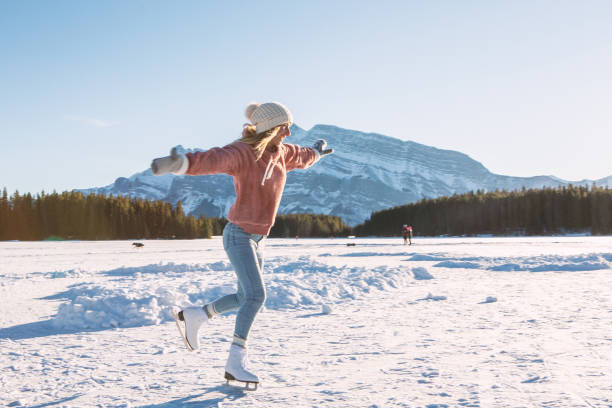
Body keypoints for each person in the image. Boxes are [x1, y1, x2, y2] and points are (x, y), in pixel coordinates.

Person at [150, 102, 333, 388]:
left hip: (257, 240)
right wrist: (182, 163)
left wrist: (318, 152)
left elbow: (304, 155)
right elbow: (214, 159)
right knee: (256, 296)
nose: (288, 131)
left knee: (242, 297)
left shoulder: (283, 153)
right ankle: (235, 362)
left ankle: (197, 315)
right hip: (238, 235)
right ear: (269, 127)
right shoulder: (243, 153)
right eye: (284, 126)